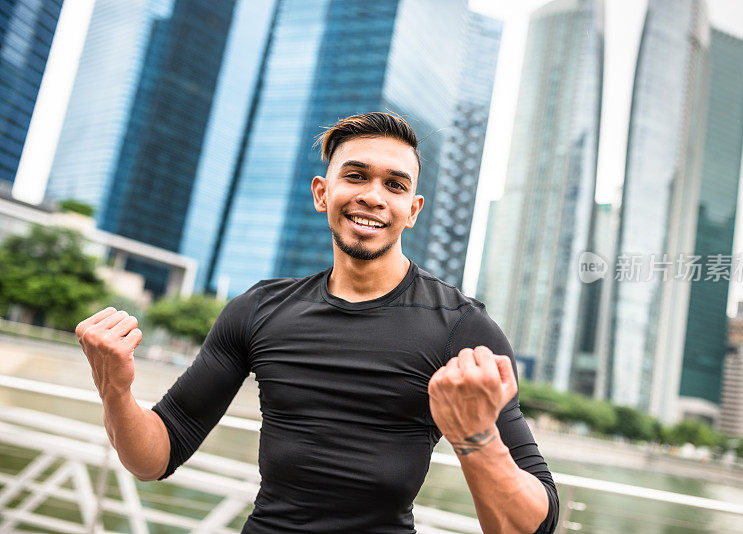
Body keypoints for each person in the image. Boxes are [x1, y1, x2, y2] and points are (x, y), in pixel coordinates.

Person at [75, 112, 559, 533]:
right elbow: (155, 456)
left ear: (412, 211)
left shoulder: (462, 329)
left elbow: (532, 525)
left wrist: (478, 438)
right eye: (356, 176)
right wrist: (115, 391)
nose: (373, 196)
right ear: (322, 193)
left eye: (395, 184)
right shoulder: (259, 309)